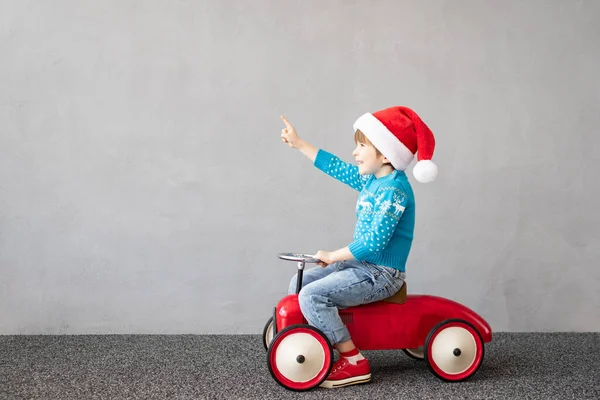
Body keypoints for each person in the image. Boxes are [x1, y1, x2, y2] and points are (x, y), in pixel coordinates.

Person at [279, 106, 438, 389]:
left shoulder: (394, 190)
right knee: (299, 283)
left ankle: (353, 360)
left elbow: (372, 244)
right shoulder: (372, 179)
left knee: (313, 295)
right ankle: (314, 341)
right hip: (359, 265)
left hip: (381, 272)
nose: (355, 152)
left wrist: (332, 256)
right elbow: (336, 168)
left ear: (387, 154)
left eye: (362, 145)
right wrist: (299, 143)